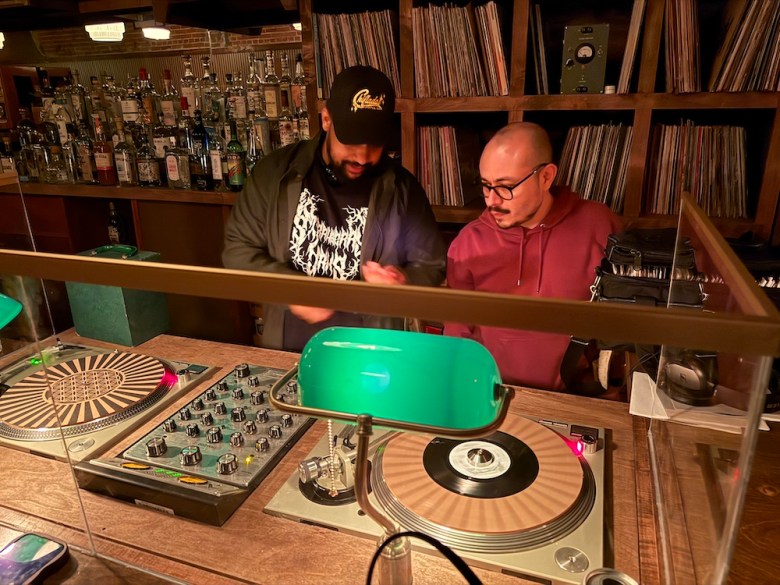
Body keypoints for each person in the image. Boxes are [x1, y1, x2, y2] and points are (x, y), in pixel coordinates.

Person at [222, 65, 446, 352]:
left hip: (372, 354)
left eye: (374, 143)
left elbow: (431, 265)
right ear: (327, 120)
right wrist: (290, 289)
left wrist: (403, 281)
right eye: (351, 140)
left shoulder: (402, 188)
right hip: (289, 351)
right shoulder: (275, 173)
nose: (362, 156)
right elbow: (237, 251)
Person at [444, 122, 621, 390]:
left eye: (505, 186)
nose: (492, 200)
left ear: (546, 177)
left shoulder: (599, 225)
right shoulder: (469, 243)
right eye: (486, 186)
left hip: (575, 396)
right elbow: (458, 332)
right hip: (494, 393)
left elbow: (623, 320)